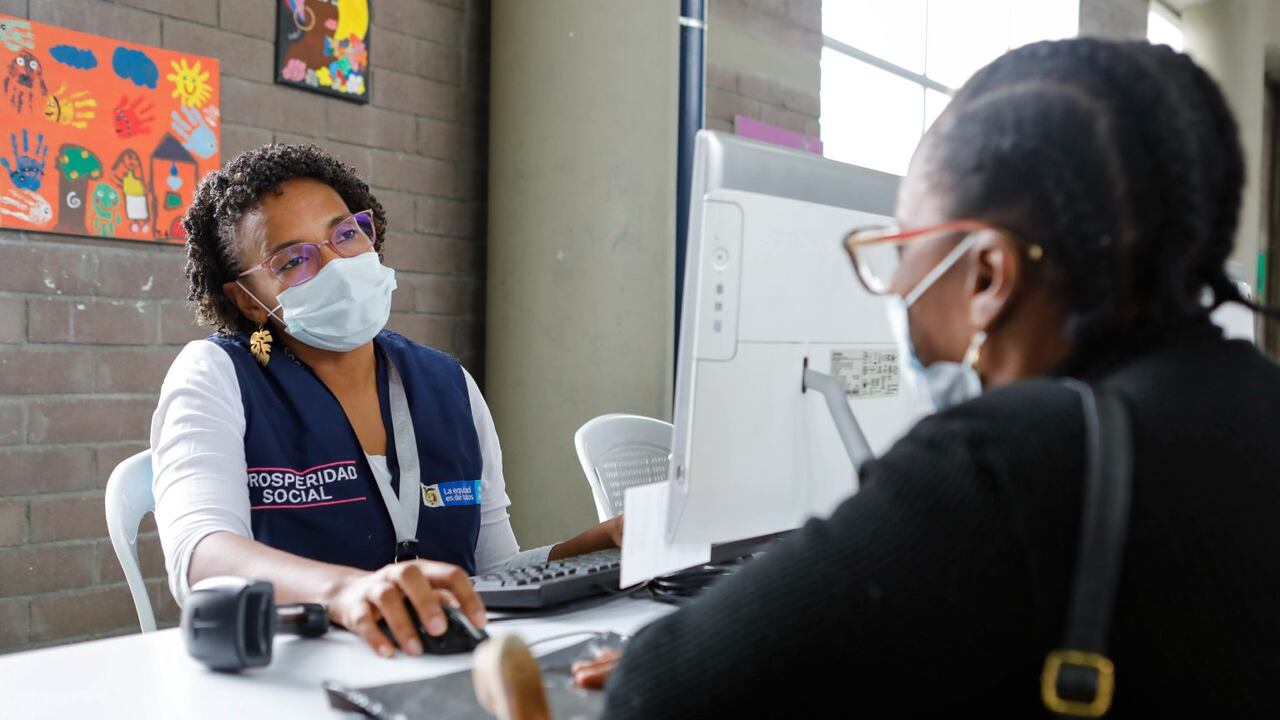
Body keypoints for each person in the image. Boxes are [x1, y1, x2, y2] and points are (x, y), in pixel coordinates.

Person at [477, 38, 1280, 717]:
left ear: (989, 276)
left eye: (902, 252)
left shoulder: (1009, 459)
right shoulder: (1255, 401)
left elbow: (662, 690)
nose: (894, 290)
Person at [152, 144, 623, 658]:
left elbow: (489, 573)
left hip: (440, 670)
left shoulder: (449, 385)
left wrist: (595, 548)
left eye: (346, 234)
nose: (336, 264)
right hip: (302, 678)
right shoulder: (219, 375)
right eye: (293, 260)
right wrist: (343, 590)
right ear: (247, 299)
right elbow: (199, 556)